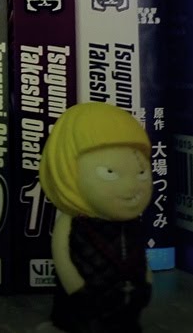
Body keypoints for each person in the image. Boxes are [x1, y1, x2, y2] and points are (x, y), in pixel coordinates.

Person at [39, 102, 153, 333]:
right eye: (110, 173)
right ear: (67, 171)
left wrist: (147, 281)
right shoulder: (73, 223)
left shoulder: (131, 225)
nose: (132, 186)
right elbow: (63, 259)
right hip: (83, 309)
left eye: (142, 173)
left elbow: (141, 255)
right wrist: (77, 288)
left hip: (128, 306)